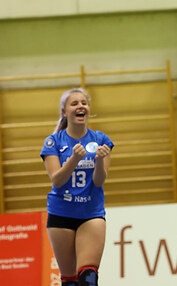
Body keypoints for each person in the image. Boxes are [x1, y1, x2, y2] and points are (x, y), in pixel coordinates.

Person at [41, 88, 113, 286]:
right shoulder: (53, 142)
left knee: (88, 277)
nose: (80, 106)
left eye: (84, 103)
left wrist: (99, 161)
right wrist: (74, 159)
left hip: (91, 213)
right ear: (64, 112)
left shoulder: (101, 140)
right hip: (61, 213)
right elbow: (57, 180)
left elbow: (99, 181)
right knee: (70, 280)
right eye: (74, 104)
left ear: (88, 109)